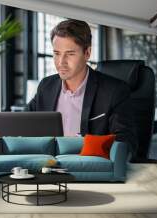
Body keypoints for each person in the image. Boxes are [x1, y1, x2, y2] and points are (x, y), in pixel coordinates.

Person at [28, 19, 137, 152]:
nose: (61, 62)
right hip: (47, 165)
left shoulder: (114, 91)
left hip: (89, 167)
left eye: (70, 54)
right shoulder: (46, 86)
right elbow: (23, 124)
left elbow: (125, 142)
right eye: (57, 54)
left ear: (87, 53)